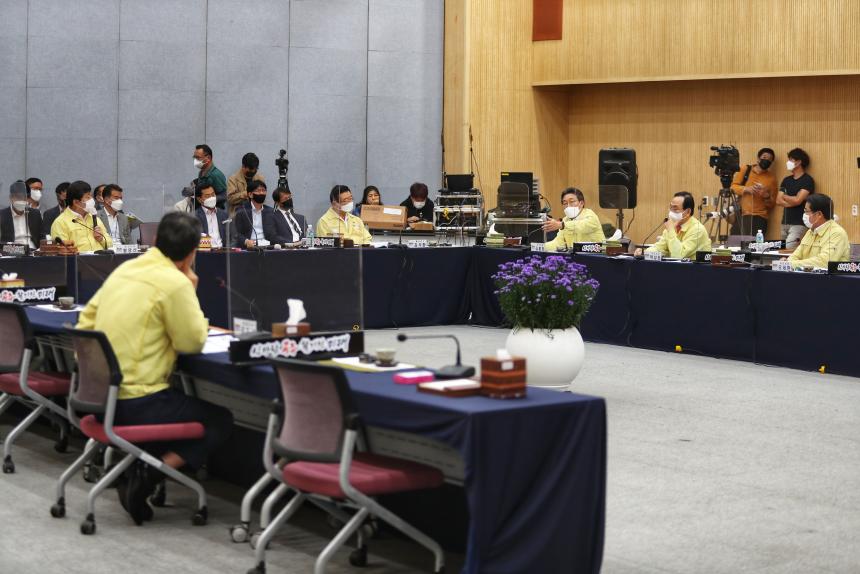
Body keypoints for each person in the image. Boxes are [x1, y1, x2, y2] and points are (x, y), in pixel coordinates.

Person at [76, 212, 233, 524]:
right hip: (137, 401)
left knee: (176, 402)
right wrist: (191, 287)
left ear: (156, 241)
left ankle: (143, 466)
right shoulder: (176, 283)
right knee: (220, 420)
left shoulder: (125, 270)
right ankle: (146, 474)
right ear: (192, 253)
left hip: (95, 397)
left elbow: (85, 325)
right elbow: (191, 342)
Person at [634, 191, 711, 258]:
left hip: (695, 272)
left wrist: (670, 230)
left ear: (687, 212)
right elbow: (660, 247)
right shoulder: (673, 226)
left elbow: (678, 255)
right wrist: (644, 252)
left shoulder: (697, 229)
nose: (671, 212)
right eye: (670, 208)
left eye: (675, 209)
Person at [786, 194, 849, 269]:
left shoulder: (837, 233)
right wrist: (786, 263)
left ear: (819, 214)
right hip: (808, 276)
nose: (804, 215)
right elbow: (796, 255)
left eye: (806, 211)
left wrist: (792, 264)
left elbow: (824, 262)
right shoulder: (810, 231)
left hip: (830, 279)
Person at [50, 180, 113, 251]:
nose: (92, 200)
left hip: (101, 259)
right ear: (76, 202)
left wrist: (101, 239)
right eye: (88, 197)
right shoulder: (60, 222)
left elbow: (110, 244)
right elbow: (62, 251)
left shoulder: (94, 218)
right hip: (78, 260)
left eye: (91, 196)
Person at [730, 148, 778, 236]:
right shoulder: (746, 169)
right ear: (758, 158)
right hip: (741, 214)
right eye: (764, 157)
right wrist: (747, 189)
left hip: (759, 217)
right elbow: (733, 187)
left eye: (769, 160)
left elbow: (772, 204)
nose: (766, 160)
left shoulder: (771, 179)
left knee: (753, 246)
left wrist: (765, 195)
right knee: (735, 244)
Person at [776, 148, 815, 249]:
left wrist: (785, 196)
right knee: (782, 251)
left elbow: (798, 200)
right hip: (784, 222)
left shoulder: (807, 180)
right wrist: (792, 200)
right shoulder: (786, 180)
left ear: (798, 162)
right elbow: (778, 200)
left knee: (789, 249)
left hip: (799, 223)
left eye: (791, 160)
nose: (788, 162)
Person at [0, 181, 43, 249]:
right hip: (12, 251)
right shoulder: (2, 215)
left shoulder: (35, 214)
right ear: (11, 198)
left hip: (33, 251)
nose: (21, 200)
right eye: (18, 197)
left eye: (24, 197)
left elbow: (42, 235)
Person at [234, 180, 275, 248]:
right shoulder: (242, 211)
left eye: (264, 190)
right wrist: (246, 241)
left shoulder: (270, 211)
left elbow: (274, 233)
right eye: (258, 191)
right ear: (250, 194)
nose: (262, 193)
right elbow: (236, 233)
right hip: (249, 247)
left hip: (268, 247)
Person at [194, 179, 228, 249]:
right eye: (207, 196)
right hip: (206, 253)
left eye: (213, 194)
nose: (211, 198)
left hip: (224, 252)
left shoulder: (223, 214)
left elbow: (231, 236)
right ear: (199, 199)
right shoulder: (194, 217)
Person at [193, 144, 227, 208]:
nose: (195, 160)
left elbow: (224, 195)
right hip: (203, 211)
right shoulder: (201, 172)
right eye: (194, 157)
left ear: (208, 158)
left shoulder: (216, 175)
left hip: (215, 212)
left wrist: (210, 199)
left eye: (198, 158)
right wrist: (194, 191)